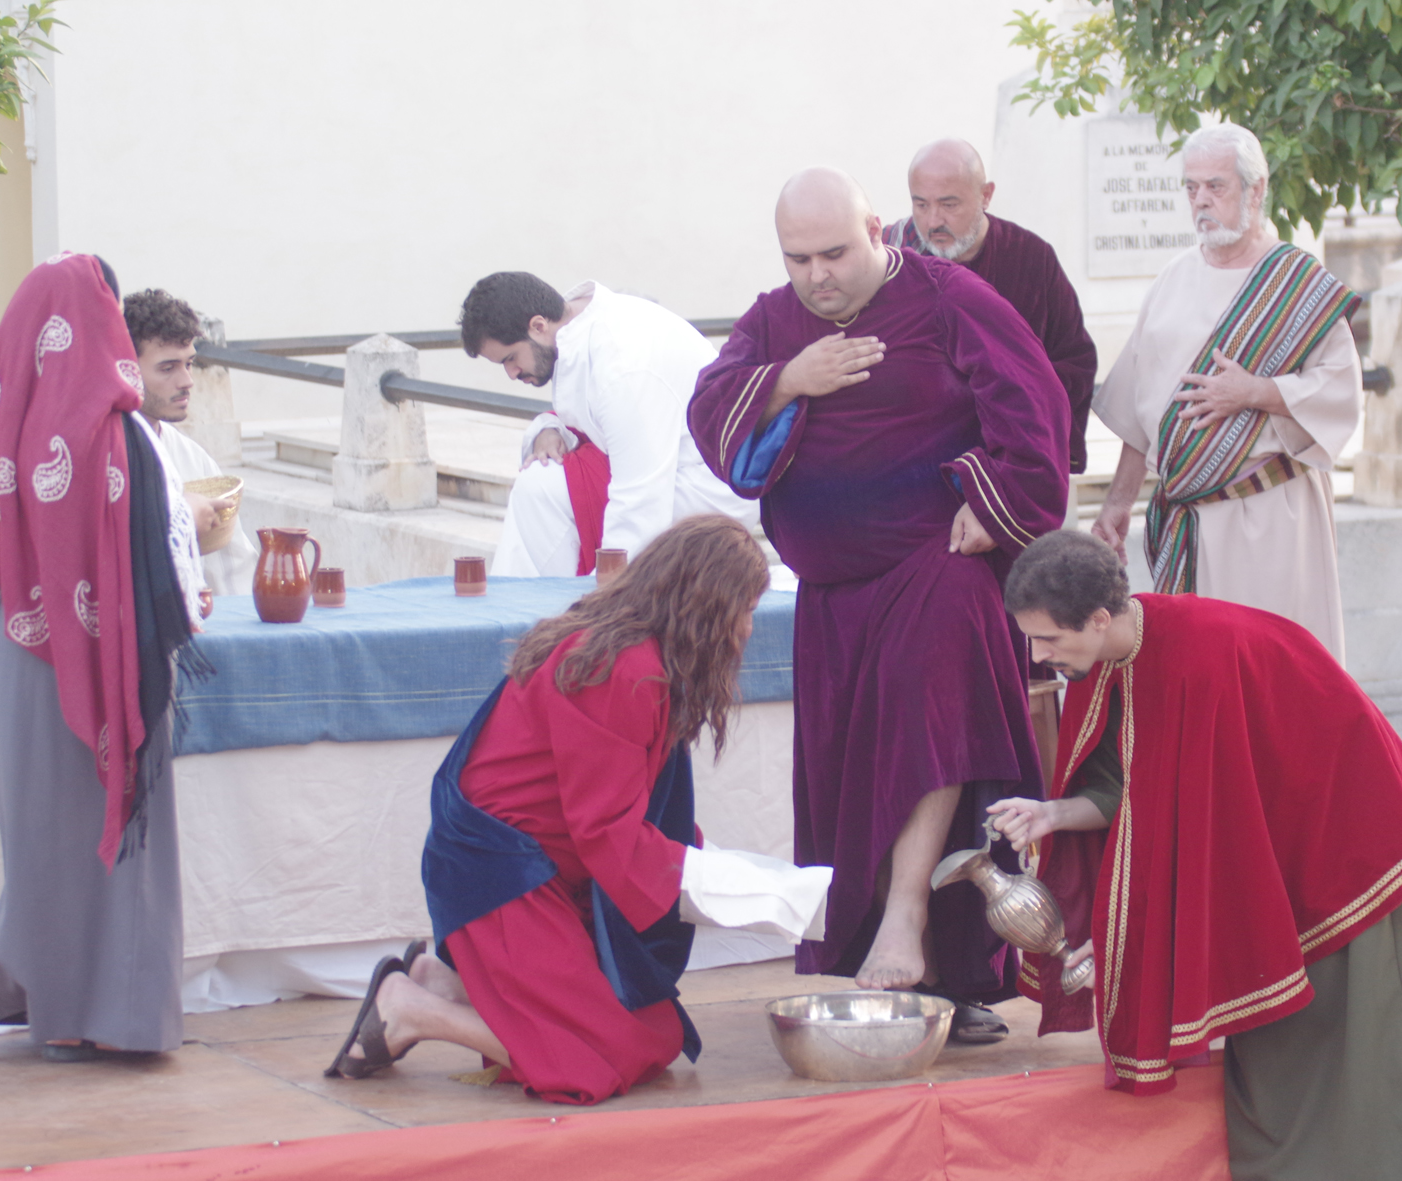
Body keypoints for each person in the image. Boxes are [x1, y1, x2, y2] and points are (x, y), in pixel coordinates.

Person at [686, 167, 1070, 1040]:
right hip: (833, 595)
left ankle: (911, 917)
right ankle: (919, 979)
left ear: (875, 231)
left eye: (833, 253)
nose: (816, 275)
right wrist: (790, 377)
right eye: (798, 259)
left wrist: (996, 499)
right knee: (853, 776)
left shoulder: (948, 298)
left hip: (937, 566)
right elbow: (711, 411)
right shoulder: (773, 321)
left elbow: (1037, 405)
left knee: (931, 727)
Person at [994, 530, 1402, 1180]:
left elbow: (1189, 819)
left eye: (1049, 639)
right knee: (1278, 1044)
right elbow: (1131, 795)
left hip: (1342, 836)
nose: (1038, 655)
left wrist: (1129, 939)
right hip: (1267, 841)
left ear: (1100, 618)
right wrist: (1052, 813)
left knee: (1371, 1039)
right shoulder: (1102, 663)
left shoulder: (1201, 659)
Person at [326, 515, 828, 1104]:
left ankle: (442, 981)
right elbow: (608, 833)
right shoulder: (624, 667)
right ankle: (410, 1010)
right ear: (707, 607)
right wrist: (761, 893)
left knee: (656, 1033)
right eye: (745, 610)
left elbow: (630, 811)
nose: (747, 628)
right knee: (595, 1062)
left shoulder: (634, 650)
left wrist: (741, 879)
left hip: (544, 871)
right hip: (501, 874)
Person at [0, 252, 210, 1061]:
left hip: (9, 635)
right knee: (116, 820)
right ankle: (117, 1015)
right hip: (94, 648)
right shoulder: (110, 429)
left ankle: (48, 1002)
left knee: (39, 829)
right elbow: (150, 557)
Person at [1089, 123, 1362, 662]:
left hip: (1271, 514)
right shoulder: (1172, 279)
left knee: (1272, 670)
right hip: (1186, 519)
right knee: (1198, 670)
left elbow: (1340, 392)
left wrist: (1255, 391)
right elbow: (1139, 411)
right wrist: (1118, 502)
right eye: (1191, 188)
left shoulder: (1296, 284)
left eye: (1216, 186)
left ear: (1256, 190)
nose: (1201, 201)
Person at [459, 272, 758, 577]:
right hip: (673, 474)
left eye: (510, 358)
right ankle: (530, 599)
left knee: (542, 491)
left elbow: (640, 502)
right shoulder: (586, 327)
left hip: (705, 495)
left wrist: (606, 592)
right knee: (541, 482)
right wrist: (550, 428)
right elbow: (594, 415)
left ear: (538, 326)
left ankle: (540, 601)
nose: (511, 373)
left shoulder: (621, 365)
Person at [883, 139, 1099, 474]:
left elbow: (1074, 359)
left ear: (986, 195)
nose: (933, 221)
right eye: (921, 205)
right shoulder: (892, 258)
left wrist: (1018, 408)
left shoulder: (1031, 258)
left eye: (948, 204)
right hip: (914, 461)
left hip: (1007, 459)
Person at [123, 288, 257, 596]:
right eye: (167, 368)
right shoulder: (100, 457)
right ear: (126, 368)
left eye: (189, 364)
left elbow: (235, 572)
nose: (187, 381)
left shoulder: (194, 460)